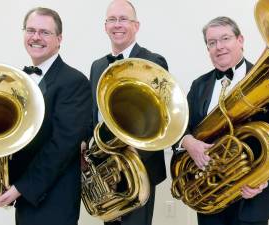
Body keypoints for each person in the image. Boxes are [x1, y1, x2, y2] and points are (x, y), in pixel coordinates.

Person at [178, 16, 269, 225]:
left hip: (252, 196)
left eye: (225, 38)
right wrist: (189, 143)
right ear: (207, 48)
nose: (219, 47)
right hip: (209, 194)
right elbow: (181, 126)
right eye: (212, 42)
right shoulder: (199, 85)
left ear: (240, 40)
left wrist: (263, 178)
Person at [0, 7, 92, 225]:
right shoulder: (16, 81)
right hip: (26, 197)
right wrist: (0, 181)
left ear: (59, 39)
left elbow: (61, 148)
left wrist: (20, 188)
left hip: (54, 200)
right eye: (31, 30)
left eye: (44, 32)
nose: (36, 37)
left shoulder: (74, 82)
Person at [89, 1, 168, 225]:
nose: (117, 25)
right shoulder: (97, 66)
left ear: (136, 25)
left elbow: (161, 120)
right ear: (105, 27)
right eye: (112, 20)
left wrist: (127, 163)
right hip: (106, 170)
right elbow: (93, 115)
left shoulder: (153, 61)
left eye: (123, 19)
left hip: (138, 168)